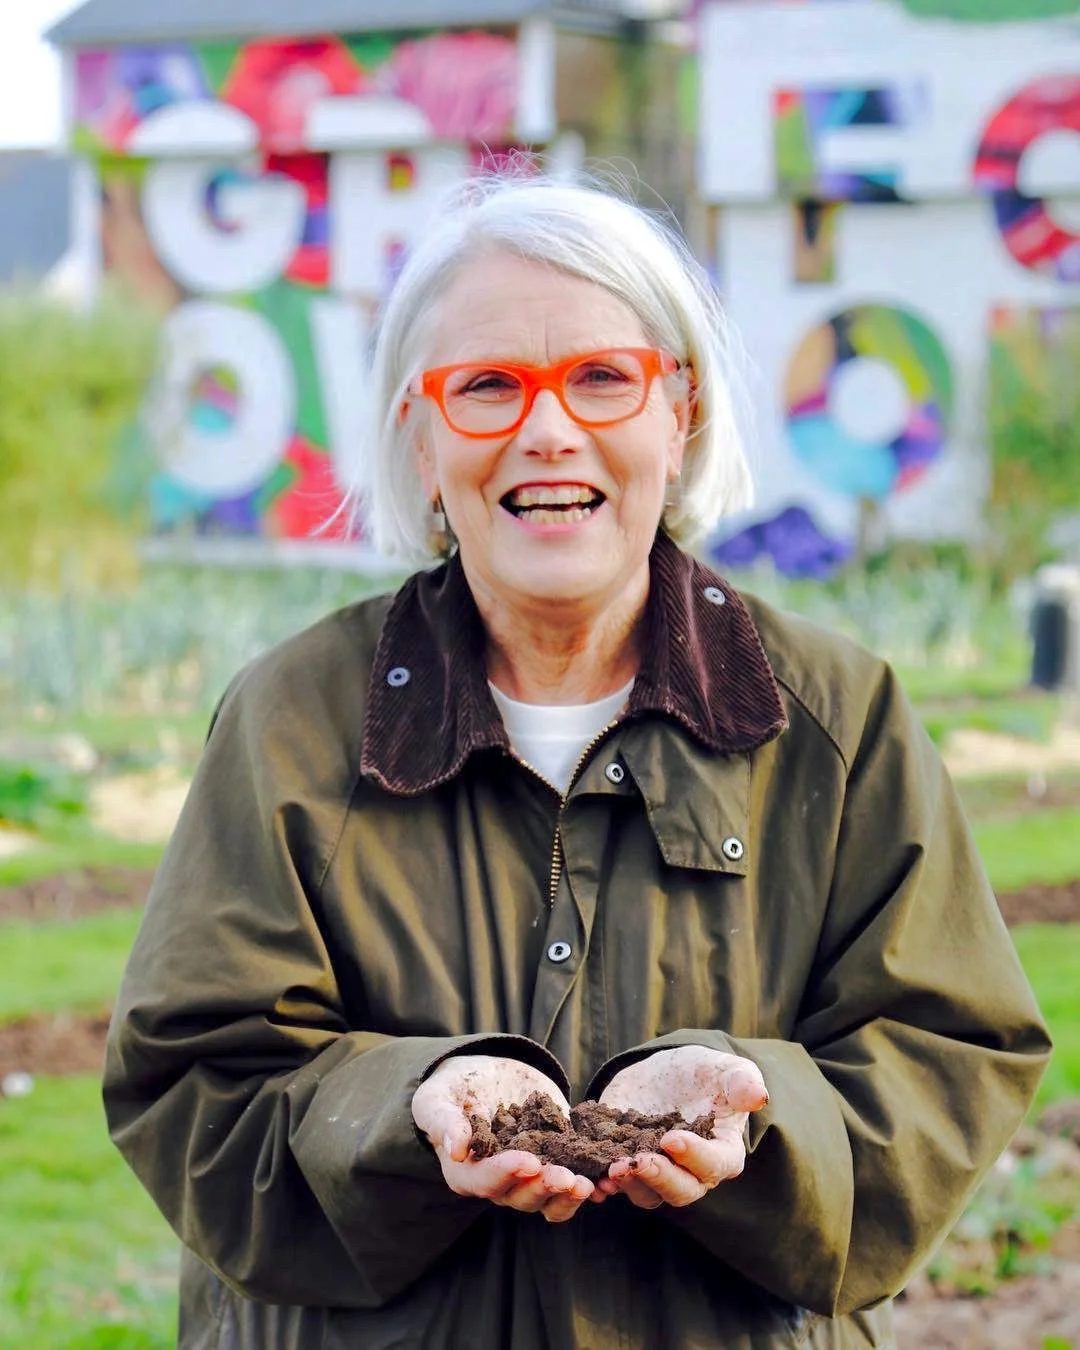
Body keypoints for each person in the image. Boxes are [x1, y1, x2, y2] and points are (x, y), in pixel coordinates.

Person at [103, 174, 1050, 1350]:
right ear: (422, 429)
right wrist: (409, 1113)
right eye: (489, 386)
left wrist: (751, 1118)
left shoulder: (836, 722)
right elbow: (192, 1084)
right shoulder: (293, 723)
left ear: (680, 412)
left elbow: (947, 1055)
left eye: (604, 377)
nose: (550, 429)